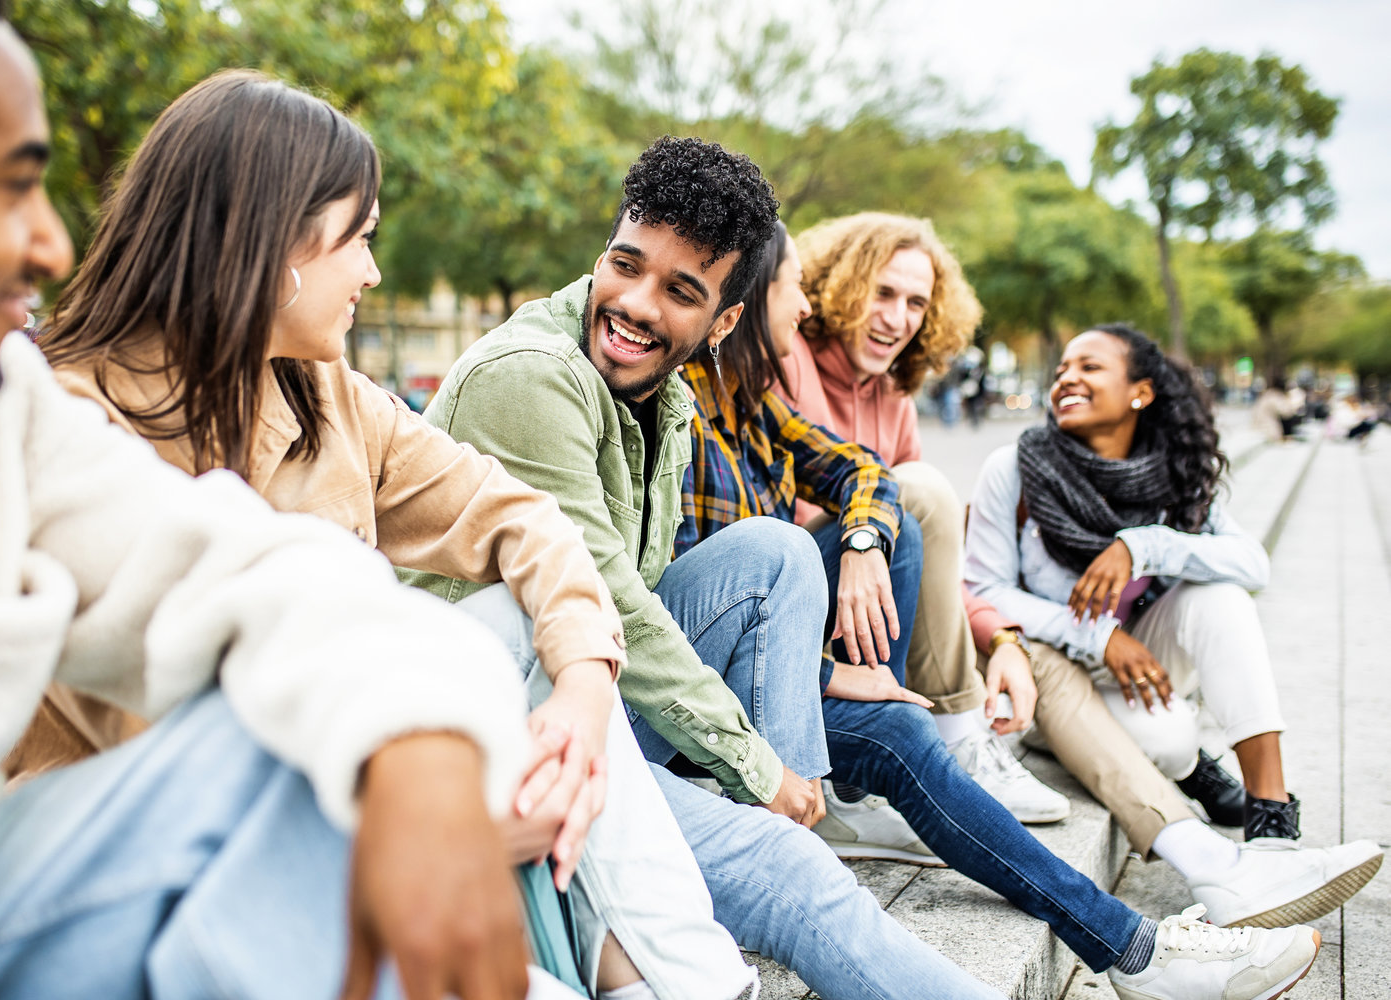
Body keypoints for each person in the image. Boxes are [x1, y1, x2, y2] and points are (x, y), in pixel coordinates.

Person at [406, 135, 1330, 1000]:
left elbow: (851, 493)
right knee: (827, 826)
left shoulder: (680, 398)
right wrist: (757, 758)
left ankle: (1120, 936)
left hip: (624, 697)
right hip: (525, 725)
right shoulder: (535, 380)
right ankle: (828, 836)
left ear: (722, 317)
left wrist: (859, 589)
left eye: (682, 291)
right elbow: (612, 605)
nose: (641, 304)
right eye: (626, 264)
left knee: (804, 573)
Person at [0, 4, 592, 999]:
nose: (50, 241)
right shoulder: (71, 397)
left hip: (53, 887)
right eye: (10, 185)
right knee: (289, 752)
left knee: (480, 683)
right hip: (104, 872)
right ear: (276, 244)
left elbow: (246, 566)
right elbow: (173, 731)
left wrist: (508, 722)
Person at [29, 70, 753, 1000]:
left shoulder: (321, 391)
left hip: (378, 781)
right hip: (166, 861)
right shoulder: (69, 423)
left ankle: (677, 982)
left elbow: (519, 519)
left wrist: (580, 682)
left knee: (526, 632)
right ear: (271, 244)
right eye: (360, 241)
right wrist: (450, 818)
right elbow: (187, 741)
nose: (373, 272)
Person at [672, 217, 1348, 998]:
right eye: (796, 290)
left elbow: (868, 477)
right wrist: (830, 669)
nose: (805, 309)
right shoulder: (691, 405)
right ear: (748, 302)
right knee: (845, 585)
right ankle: (1138, 949)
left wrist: (861, 548)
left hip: (823, 655)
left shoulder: (755, 402)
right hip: (735, 692)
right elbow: (703, 605)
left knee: (895, 514)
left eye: (915, 301)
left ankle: (1146, 922)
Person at [964, 323, 1384, 927]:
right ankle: (1192, 769)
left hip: (1146, 650)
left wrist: (1145, 546)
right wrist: (1098, 635)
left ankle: (1271, 829)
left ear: (1140, 392)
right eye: (1062, 370)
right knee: (1170, 742)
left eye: (1089, 367)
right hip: (1049, 669)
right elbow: (984, 589)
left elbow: (1252, 564)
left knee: (1220, 597)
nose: (1067, 379)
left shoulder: (1177, 473)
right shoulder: (1016, 466)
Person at [780, 211, 1069, 823]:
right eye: (882, 293)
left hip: (878, 610)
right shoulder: (789, 358)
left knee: (915, 503)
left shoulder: (896, 397)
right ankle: (948, 739)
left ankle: (950, 735)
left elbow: (935, 555)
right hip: (795, 602)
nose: (897, 317)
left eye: (917, 302)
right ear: (840, 286)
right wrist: (862, 535)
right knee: (915, 489)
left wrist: (1000, 637)